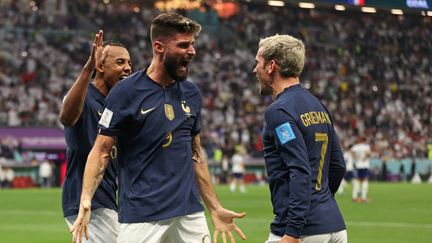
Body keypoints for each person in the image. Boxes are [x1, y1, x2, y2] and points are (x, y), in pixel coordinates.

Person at [71, 13, 246, 243]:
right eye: (183, 45)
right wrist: (86, 199)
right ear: (159, 47)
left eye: (192, 44)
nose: (191, 51)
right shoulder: (125, 93)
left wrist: (214, 207)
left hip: (189, 213)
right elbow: (101, 151)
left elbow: (196, 155)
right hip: (142, 215)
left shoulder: (191, 94)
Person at [253, 34, 347, 243]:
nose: (254, 70)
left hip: (301, 230)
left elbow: (299, 169)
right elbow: (338, 165)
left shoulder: (278, 111)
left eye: (257, 63)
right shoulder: (318, 105)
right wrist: (321, 204)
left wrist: (293, 231)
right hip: (335, 226)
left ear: (271, 66)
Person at [59, 30, 132, 242]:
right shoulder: (85, 97)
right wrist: (87, 69)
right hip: (88, 201)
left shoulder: (116, 106)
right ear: (100, 67)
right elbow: (67, 117)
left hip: (108, 199)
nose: (127, 67)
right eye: (119, 62)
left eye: (129, 62)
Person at [351, 138, 371, 203]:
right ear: (364, 140)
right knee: (365, 180)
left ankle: (354, 197)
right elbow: (368, 154)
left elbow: (352, 152)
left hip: (358, 165)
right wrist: (364, 158)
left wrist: (356, 158)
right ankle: (363, 198)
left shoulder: (355, 147)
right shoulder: (366, 146)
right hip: (364, 165)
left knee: (358, 180)